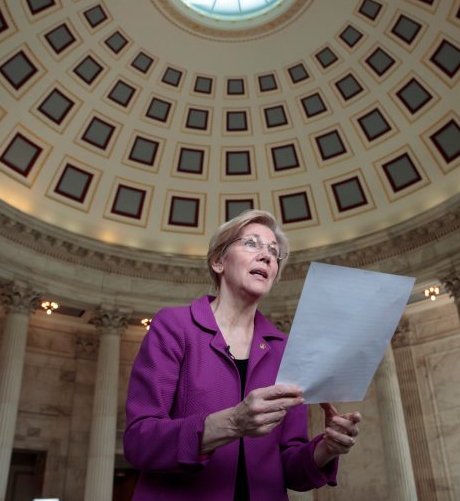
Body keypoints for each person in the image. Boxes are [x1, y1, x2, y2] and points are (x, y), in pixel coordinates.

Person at [123, 209, 362, 500]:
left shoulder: (284, 349)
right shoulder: (174, 325)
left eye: (274, 251)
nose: (267, 256)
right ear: (218, 261)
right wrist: (234, 422)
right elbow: (139, 442)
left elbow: (290, 469)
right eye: (251, 243)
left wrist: (326, 448)